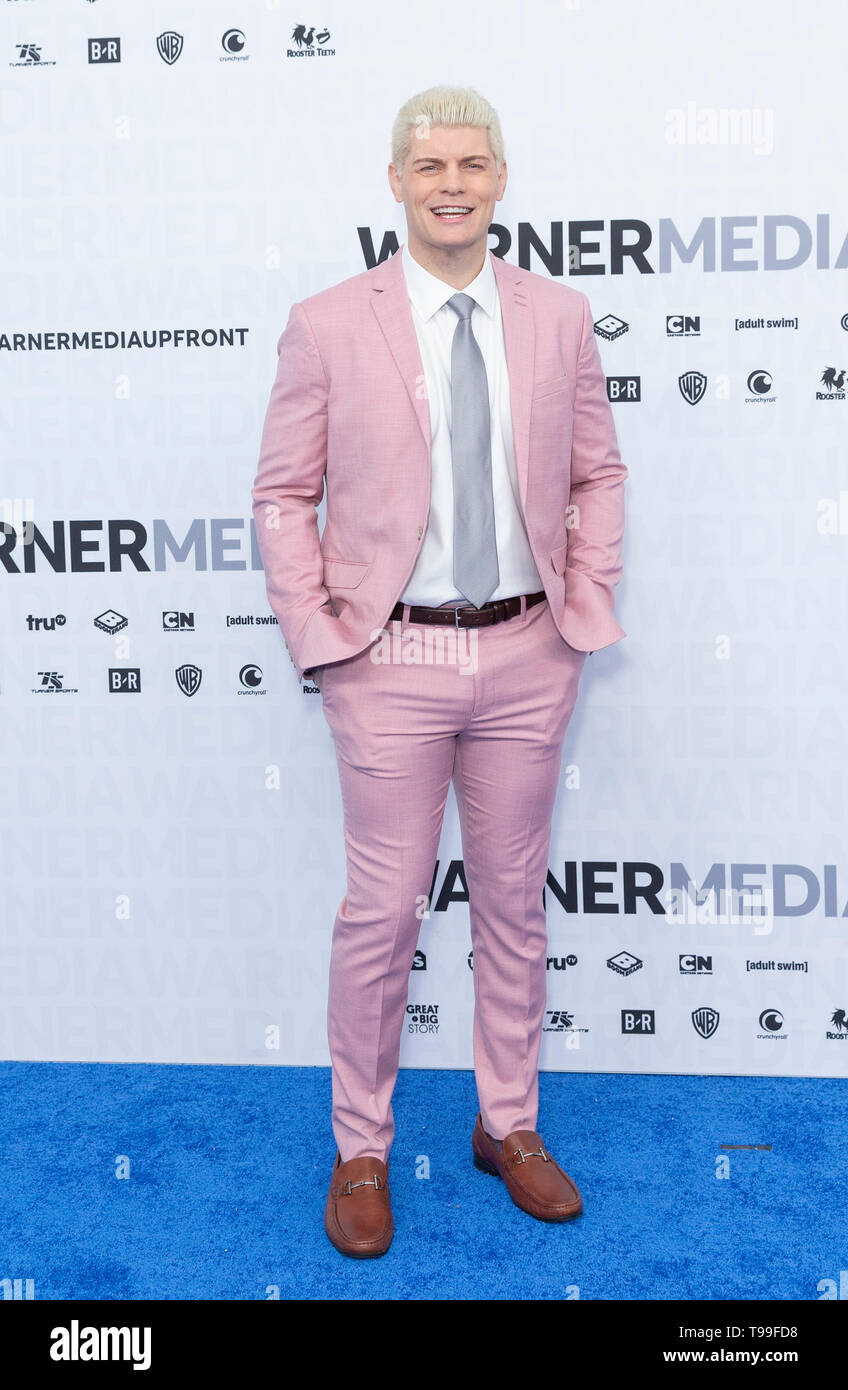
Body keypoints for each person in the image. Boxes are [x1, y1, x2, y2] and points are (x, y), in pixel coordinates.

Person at [252, 84, 627, 1258]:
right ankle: (360, 1145)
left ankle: (506, 1124)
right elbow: (279, 495)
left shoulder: (560, 316)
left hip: (527, 653)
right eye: (430, 168)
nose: (452, 185)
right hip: (388, 659)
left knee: (514, 904)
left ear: (501, 179)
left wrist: (581, 606)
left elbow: (598, 474)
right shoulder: (326, 323)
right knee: (381, 913)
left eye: (472, 164)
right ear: (396, 184)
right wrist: (325, 639)